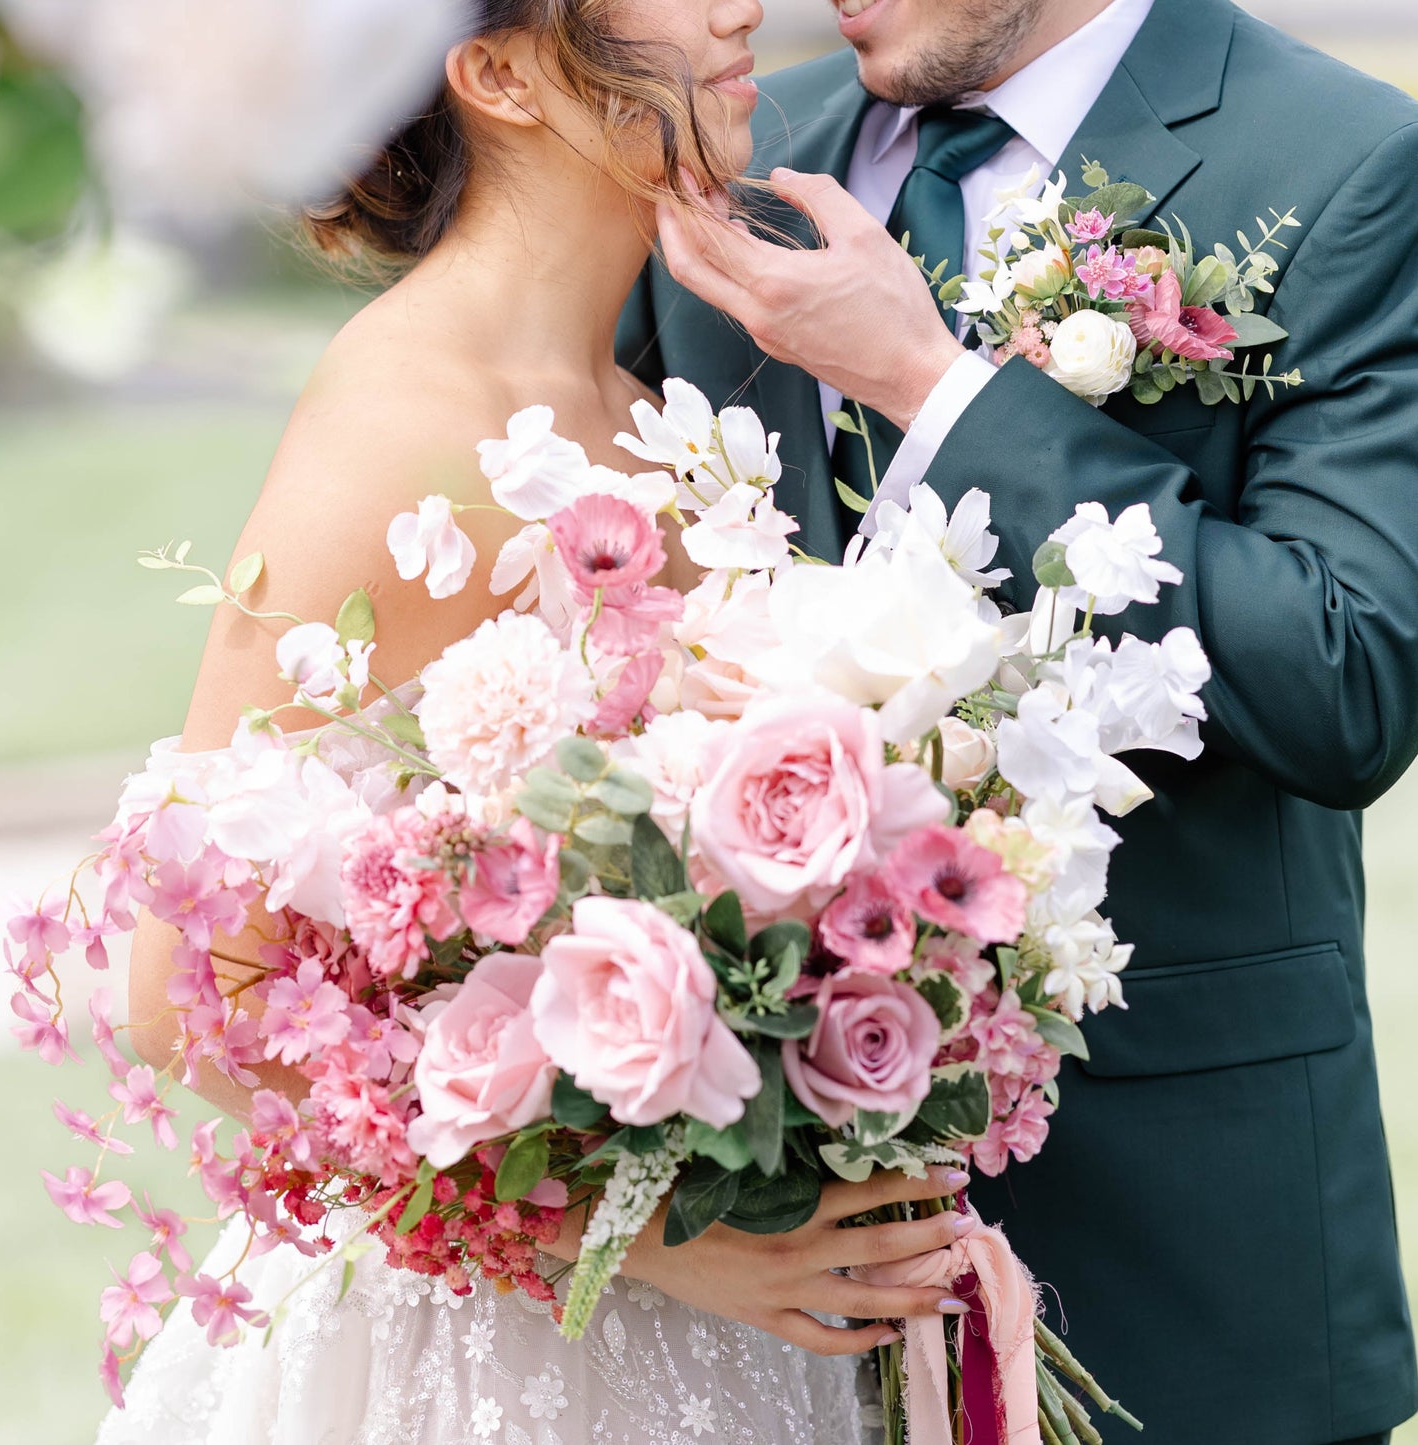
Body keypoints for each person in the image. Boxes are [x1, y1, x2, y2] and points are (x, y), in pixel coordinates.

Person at [101, 2, 980, 1442]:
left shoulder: (650, 418)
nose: (737, 5)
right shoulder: (398, 420)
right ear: (499, 71)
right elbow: (181, 991)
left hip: (742, 1336)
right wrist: (638, 1238)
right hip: (478, 1356)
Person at [617, 0, 1418, 1442]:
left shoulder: (1345, 161)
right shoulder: (728, 160)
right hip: (754, 1280)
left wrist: (935, 387)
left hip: (1176, 1262)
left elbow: (1343, 676)